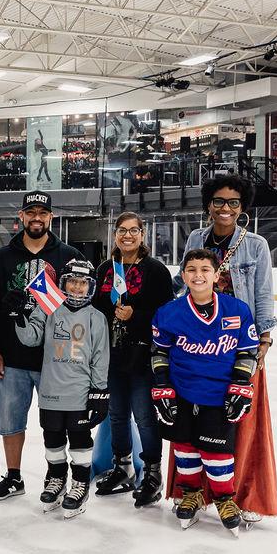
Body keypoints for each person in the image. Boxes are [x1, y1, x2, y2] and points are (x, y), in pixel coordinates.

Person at [171, 175, 277, 523]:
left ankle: (242, 495)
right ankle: (191, 493)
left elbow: (262, 294)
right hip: (197, 345)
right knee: (191, 420)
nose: (225, 209)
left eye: (233, 203)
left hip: (237, 344)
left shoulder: (255, 245)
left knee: (240, 422)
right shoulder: (195, 239)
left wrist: (262, 340)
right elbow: (182, 281)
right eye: (219, 201)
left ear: (242, 207)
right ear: (208, 204)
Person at [0, 190, 83, 500]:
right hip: (12, 358)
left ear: (50, 217)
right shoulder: (0, 259)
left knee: (58, 422)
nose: (37, 217)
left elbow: (81, 304)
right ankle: (14, 477)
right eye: (31, 212)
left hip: (55, 359)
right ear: (21, 216)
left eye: (43, 212)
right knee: (11, 421)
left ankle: (59, 475)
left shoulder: (69, 256)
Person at [152, 250, 259, 535]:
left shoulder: (237, 310)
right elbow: (159, 351)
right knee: (185, 448)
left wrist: (241, 384)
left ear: (216, 274)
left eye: (204, 269)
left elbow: (247, 351)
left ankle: (225, 499)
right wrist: (162, 385)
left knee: (217, 452)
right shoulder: (168, 313)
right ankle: (191, 493)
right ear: (184, 275)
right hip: (183, 392)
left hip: (219, 395)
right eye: (191, 269)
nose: (198, 275)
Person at [14, 259, 109, 519]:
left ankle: (79, 483)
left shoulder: (96, 317)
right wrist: (20, 314)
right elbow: (30, 338)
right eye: (72, 282)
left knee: (79, 440)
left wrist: (99, 393)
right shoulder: (48, 307)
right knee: (52, 439)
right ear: (62, 283)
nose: (77, 288)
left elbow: (100, 357)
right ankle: (55, 480)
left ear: (90, 287)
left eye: (83, 283)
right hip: (51, 392)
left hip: (79, 393)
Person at [92, 213, 174, 508]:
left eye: (133, 230)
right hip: (110, 356)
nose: (127, 235)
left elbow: (167, 316)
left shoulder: (155, 270)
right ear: (114, 234)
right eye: (122, 230)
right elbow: (95, 310)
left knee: (144, 416)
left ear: (143, 234)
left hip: (141, 355)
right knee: (116, 415)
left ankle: (153, 473)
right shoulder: (105, 269)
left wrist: (136, 317)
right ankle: (122, 466)